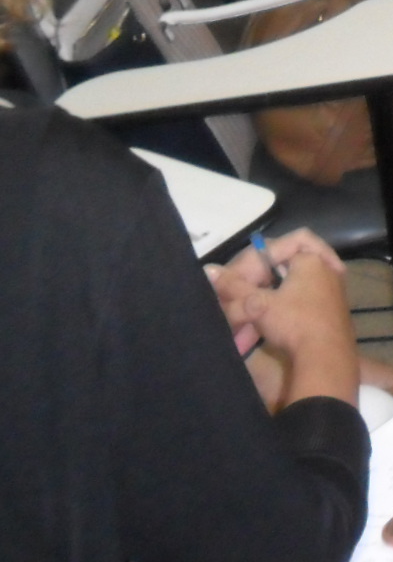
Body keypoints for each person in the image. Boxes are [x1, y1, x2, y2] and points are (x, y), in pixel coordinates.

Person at [0, 105, 372, 560]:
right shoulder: (59, 177)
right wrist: (323, 345)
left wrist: (165, 322)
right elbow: (287, 546)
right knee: (379, 412)